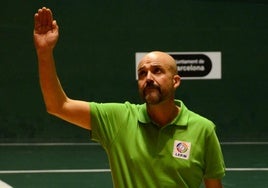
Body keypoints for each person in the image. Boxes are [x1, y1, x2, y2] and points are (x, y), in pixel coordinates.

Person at [34, 7, 225, 188]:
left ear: (175, 81)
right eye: (142, 74)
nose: (148, 78)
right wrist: (44, 53)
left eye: (157, 71)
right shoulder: (118, 119)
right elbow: (58, 105)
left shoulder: (203, 130)